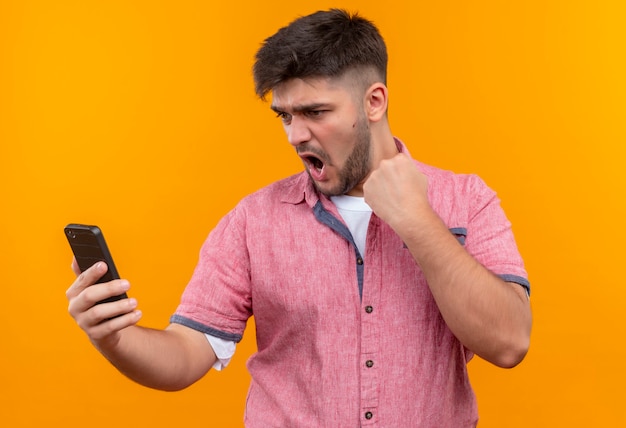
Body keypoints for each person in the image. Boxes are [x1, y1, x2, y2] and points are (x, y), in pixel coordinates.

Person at [66, 9, 532, 427]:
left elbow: (509, 343)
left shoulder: (466, 199)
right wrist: (115, 338)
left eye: (315, 112)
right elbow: (186, 355)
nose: (295, 135)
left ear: (374, 102)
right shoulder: (252, 221)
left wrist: (417, 220)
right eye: (284, 116)